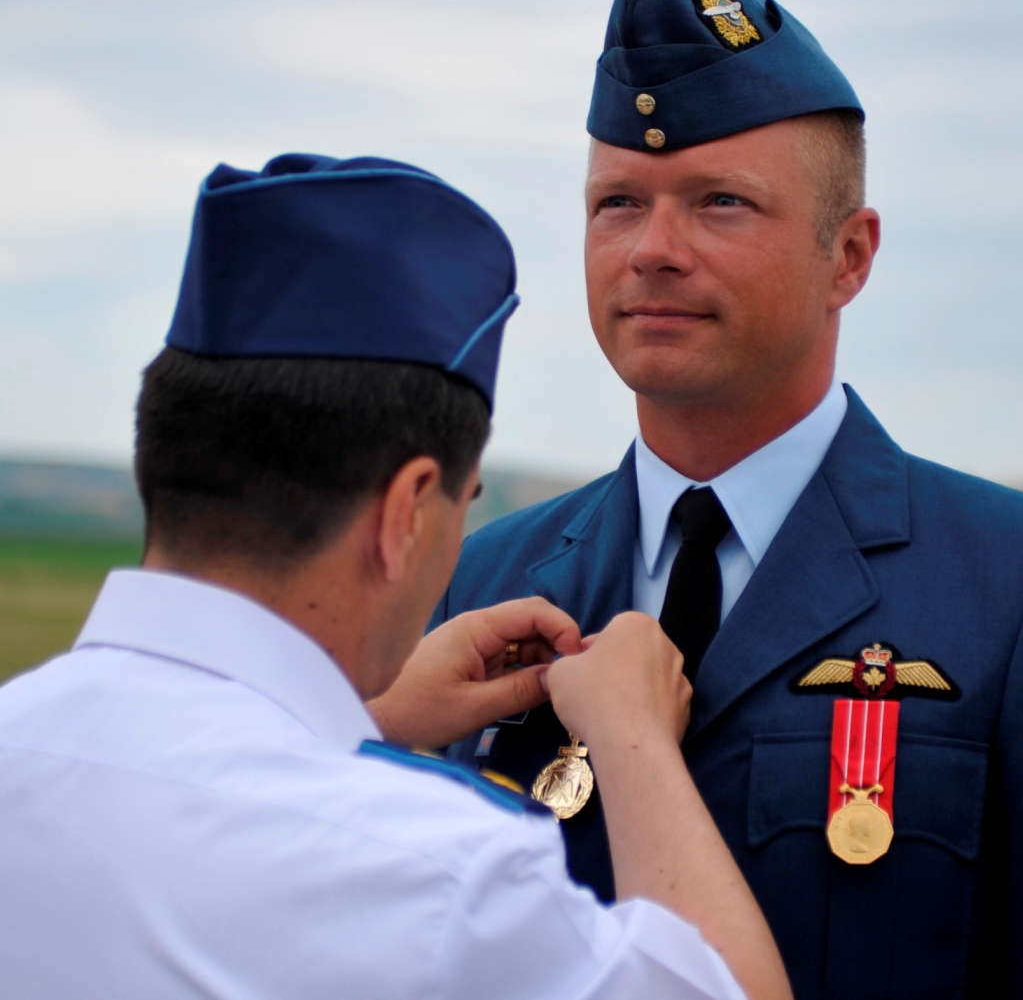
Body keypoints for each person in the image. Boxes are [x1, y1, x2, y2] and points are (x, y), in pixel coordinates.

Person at [432, 0, 1023, 1000]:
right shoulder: (483, 584)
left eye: (719, 204)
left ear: (848, 256)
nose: (652, 251)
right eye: (617, 203)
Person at [0, 153, 791, 1000]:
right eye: (464, 502)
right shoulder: (437, 870)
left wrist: (364, 718)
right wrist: (634, 741)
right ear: (406, 511)